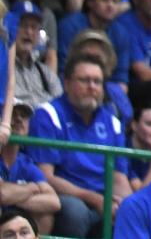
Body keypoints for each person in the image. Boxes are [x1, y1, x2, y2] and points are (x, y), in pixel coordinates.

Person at [28, 52, 132, 238]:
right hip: (68, 196)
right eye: (84, 80)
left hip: (103, 199)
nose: (92, 87)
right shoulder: (49, 115)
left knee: (130, 212)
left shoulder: (112, 122)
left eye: (97, 82)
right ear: (66, 84)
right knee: (75, 212)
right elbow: (45, 176)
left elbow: (119, 179)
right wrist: (94, 198)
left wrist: (127, 204)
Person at [0, 103, 61, 235]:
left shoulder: (25, 163)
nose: (19, 120)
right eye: (12, 114)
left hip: (12, 218)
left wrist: (13, 198)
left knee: (45, 215)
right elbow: (2, 195)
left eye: (23, 116)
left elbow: (54, 202)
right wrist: (32, 188)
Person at [12, 1, 61, 108]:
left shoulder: (45, 73)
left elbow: (61, 107)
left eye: (34, 27)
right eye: (23, 25)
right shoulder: (3, 67)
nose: (29, 32)